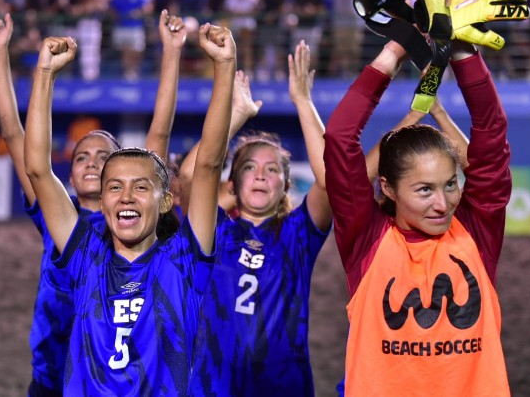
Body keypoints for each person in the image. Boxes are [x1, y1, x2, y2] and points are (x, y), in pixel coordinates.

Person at [0, 9, 188, 396]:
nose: (92, 162)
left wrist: (172, 51)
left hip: (113, 357)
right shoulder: (58, 216)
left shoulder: (135, 221)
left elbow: (159, 133)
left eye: (102, 157)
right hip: (54, 355)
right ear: (71, 177)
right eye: (81, 157)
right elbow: (14, 133)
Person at [23, 22, 235, 394]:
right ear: (102, 201)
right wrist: (44, 75)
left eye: (141, 187)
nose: (125, 197)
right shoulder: (86, 257)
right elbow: (38, 169)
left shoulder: (183, 261)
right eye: (115, 187)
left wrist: (225, 67)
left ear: (167, 200)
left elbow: (208, 166)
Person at [324, 23, 512, 397]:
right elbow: (340, 139)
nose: (442, 204)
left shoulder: (476, 232)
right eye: (424, 190)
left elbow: (490, 137)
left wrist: (462, 51)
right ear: (388, 188)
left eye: (451, 184)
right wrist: (394, 51)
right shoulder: (367, 241)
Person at [184, 42, 333, 396]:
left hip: (283, 387)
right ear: (231, 184)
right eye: (249, 168)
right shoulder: (216, 230)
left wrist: (303, 102)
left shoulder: (298, 234)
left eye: (272, 169)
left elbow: (332, 178)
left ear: (286, 185)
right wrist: (237, 114)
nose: (262, 176)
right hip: (213, 386)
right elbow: (190, 180)